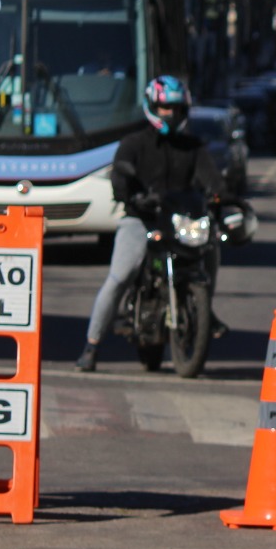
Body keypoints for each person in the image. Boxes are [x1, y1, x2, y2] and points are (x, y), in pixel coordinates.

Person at [76, 75, 225, 372]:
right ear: (152, 107)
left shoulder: (194, 146)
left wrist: (223, 200)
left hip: (179, 222)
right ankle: (91, 345)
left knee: (210, 250)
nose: (171, 113)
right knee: (120, 276)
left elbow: (212, 180)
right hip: (141, 220)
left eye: (176, 108)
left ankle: (205, 308)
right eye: (164, 107)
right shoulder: (134, 143)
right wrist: (129, 193)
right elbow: (119, 174)